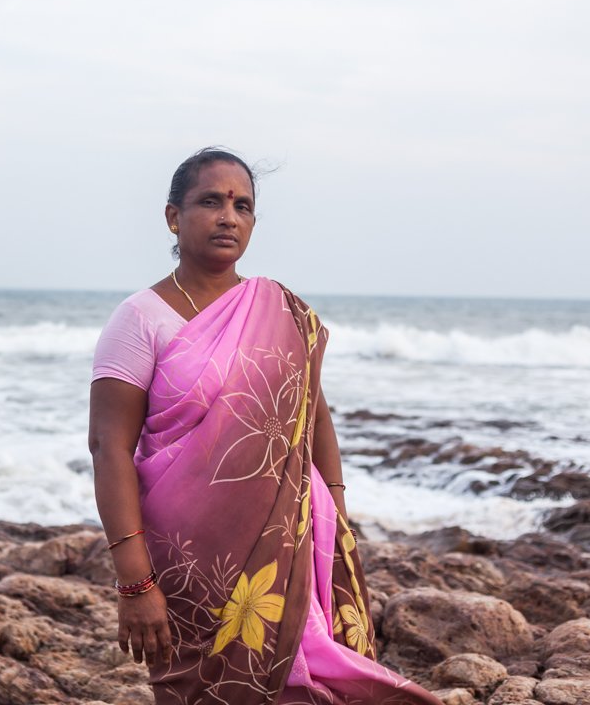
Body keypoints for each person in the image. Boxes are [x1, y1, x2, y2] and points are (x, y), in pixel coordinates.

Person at [88, 148, 442, 705]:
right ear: (173, 216)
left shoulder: (283, 312)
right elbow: (109, 449)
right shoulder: (140, 318)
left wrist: (338, 526)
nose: (228, 216)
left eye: (243, 205)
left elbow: (315, 416)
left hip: (291, 542)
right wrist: (134, 582)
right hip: (184, 560)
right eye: (210, 201)